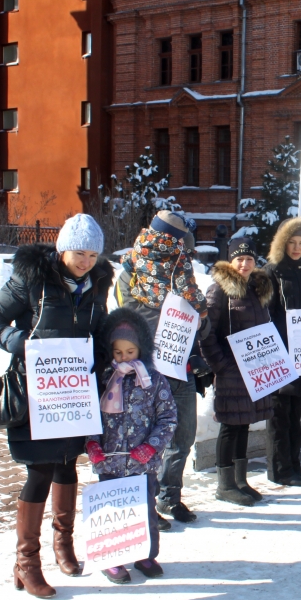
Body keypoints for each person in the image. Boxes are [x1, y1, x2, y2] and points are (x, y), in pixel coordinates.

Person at [0, 213, 113, 599]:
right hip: (38, 390)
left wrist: (108, 349)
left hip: (75, 390)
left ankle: (63, 545)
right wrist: (19, 342)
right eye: (78, 253)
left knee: (67, 464)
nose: (84, 261)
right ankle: (26, 562)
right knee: (39, 470)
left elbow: (97, 327)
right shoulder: (32, 278)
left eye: (91, 254)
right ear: (61, 248)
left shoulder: (96, 284)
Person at [115, 210, 208, 529]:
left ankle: (170, 496)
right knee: (152, 438)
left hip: (180, 365)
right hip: (151, 369)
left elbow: (197, 318)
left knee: (182, 434)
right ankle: (148, 502)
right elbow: (123, 316)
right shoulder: (132, 267)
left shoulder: (179, 267)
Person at [86, 308, 177, 584]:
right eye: (118, 352)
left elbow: (168, 417)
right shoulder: (102, 380)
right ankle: (111, 557)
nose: (124, 358)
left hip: (142, 463)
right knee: (114, 513)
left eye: (130, 351)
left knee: (144, 509)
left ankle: (145, 554)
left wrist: (151, 447)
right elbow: (89, 416)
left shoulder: (153, 380)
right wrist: (91, 444)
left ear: (141, 348)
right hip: (110, 462)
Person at [199, 239, 276, 505]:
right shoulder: (219, 290)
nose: (244, 264)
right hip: (232, 371)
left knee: (245, 423)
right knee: (230, 426)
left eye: (249, 260)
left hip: (254, 370)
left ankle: (241, 480)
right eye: (239, 259)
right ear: (230, 261)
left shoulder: (257, 289)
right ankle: (224, 485)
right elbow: (207, 335)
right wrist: (221, 365)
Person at [264, 217, 301, 486]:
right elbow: (266, 314)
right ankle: (280, 469)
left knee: (294, 415)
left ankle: (294, 464)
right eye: (292, 242)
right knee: (279, 417)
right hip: (280, 352)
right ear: (282, 244)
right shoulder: (272, 272)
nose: (297, 247)